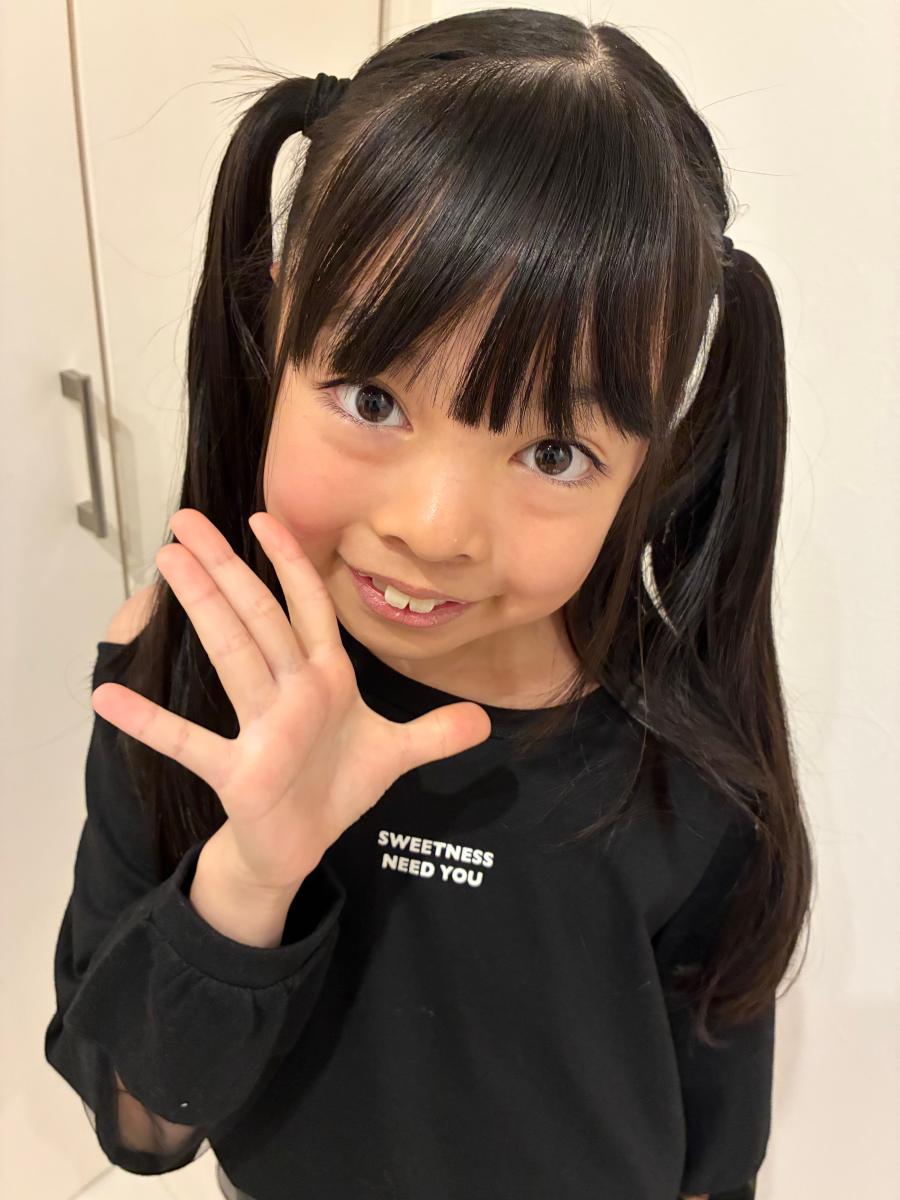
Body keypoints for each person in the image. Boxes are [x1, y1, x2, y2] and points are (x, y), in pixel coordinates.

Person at [44, 9, 812, 1200]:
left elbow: (715, 1152)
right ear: (277, 331)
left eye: (553, 453)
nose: (435, 527)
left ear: (651, 459)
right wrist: (251, 873)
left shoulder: (687, 768)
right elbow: (140, 1126)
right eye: (372, 397)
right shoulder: (182, 684)